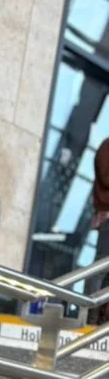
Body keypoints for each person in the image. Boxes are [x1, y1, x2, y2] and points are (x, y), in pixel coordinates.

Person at [89, 137, 109, 325]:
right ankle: (90, 313)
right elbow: (105, 176)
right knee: (101, 267)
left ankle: (102, 317)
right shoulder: (107, 146)